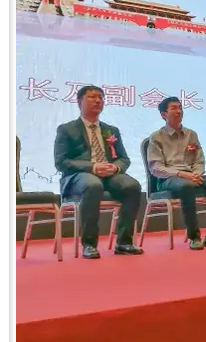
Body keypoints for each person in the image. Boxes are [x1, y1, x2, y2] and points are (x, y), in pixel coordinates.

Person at [54, 85, 143, 259]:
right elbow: (61, 162)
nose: (97, 101)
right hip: (78, 177)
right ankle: (89, 244)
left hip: (109, 175)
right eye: (92, 97)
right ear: (79, 102)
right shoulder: (66, 129)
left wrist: (116, 167)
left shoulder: (111, 130)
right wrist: (92, 167)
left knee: (132, 186)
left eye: (101, 98)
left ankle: (124, 242)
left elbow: (124, 159)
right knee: (93, 184)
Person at [147, 97, 206, 250]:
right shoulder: (156, 137)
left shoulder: (191, 135)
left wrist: (196, 174)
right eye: (174, 108)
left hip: (193, 176)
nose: (179, 111)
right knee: (187, 186)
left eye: (180, 107)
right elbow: (156, 167)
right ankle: (194, 237)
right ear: (163, 114)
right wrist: (182, 174)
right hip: (169, 178)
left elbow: (199, 160)